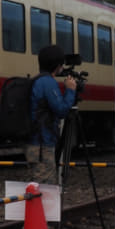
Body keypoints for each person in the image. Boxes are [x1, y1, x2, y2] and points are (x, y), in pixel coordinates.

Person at [25, 44, 77, 186]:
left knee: (38, 183)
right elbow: (61, 110)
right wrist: (70, 90)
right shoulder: (47, 82)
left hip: (35, 143)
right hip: (43, 144)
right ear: (58, 66)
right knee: (44, 186)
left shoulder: (37, 80)